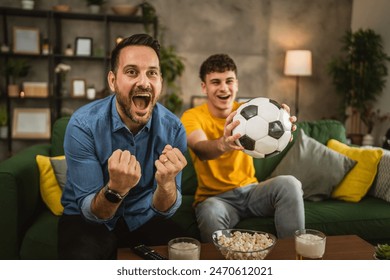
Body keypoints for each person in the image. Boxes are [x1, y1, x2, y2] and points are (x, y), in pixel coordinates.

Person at [58, 34, 187, 259]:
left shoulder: (174, 129)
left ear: (160, 82)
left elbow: (165, 210)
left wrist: (166, 185)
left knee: (184, 256)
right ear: (112, 80)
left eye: (152, 73)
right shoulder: (82, 125)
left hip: (142, 217)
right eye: (131, 72)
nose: (144, 82)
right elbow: (93, 214)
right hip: (87, 221)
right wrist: (116, 189)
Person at [180, 54, 305, 243]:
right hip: (216, 199)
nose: (223, 88)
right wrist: (224, 143)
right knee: (210, 211)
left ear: (236, 84)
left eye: (229, 81)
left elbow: (271, 122)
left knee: (290, 184)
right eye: (215, 82)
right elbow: (200, 149)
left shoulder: (248, 110)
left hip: (252, 192)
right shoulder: (192, 116)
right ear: (204, 87)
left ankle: (293, 260)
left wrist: (283, 125)